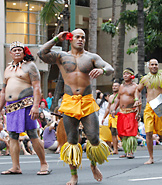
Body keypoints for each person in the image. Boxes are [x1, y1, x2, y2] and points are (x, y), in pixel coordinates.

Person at [37, 29, 114, 185]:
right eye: (77, 37)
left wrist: (102, 70)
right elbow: (41, 53)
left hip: (87, 101)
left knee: (93, 137)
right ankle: (74, 175)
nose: (81, 39)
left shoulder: (92, 57)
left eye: (83, 37)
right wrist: (57, 39)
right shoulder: (61, 57)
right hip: (69, 101)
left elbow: (110, 68)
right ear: (70, 39)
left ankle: (93, 165)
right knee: (71, 140)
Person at [0, 41, 50, 175]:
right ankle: (15, 166)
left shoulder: (30, 66)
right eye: (15, 50)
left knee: (32, 134)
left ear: (23, 51)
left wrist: (36, 106)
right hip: (11, 107)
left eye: (20, 49)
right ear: (10, 53)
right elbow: (3, 91)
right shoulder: (7, 69)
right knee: (13, 136)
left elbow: (37, 87)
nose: (17, 52)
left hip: (27, 105)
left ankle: (44, 164)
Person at [134, 59, 162, 164]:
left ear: (158, 66)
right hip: (149, 106)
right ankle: (151, 157)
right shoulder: (145, 79)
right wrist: (136, 100)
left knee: (161, 132)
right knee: (148, 132)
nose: (154, 66)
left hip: (161, 105)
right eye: (152, 64)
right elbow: (137, 90)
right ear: (148, 66)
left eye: (156, 64)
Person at [111, 68, 139, 159]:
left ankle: (130, 151)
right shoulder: (121, 87)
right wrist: (114, 109)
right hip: (122, 112)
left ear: (132, 76)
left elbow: (138, 99)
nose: (125, 75)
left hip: (131, 112)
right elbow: (118, 98)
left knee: (130, 133)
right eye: (124, 74)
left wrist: (138, 111)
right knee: (122, 133)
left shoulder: (135, 87)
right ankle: (126, 151)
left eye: (127, 74)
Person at [102, 80, 120, 154]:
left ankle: (127, 149)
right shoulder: (111, 97)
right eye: (113, 86)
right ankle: (115, 149)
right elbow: (108, 108)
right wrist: (104, 117)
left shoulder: (121, 96)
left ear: (119, 87)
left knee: (120, 133)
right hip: (111, 117)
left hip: (118, 115)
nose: (114, 87)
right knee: (113, 132)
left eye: (116, 86)